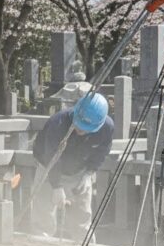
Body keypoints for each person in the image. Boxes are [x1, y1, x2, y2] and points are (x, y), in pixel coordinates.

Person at [31, 92, 114, 237]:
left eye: (86, 127)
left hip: (79, 172)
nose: (80, 130)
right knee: (43, 216)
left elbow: (102, 151)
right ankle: (41, 243)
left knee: (81, 219)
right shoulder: (58, 123)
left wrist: (89, 173)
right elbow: (51, 156)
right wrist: (56, 186)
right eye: (79, 124)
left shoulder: (107, 127)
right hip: (48, 168)